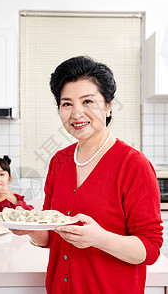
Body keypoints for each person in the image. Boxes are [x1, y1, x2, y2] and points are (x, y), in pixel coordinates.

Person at [13, 56, 163, 294]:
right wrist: (27, 227)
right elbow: (52, 236)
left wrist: (99, 238)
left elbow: (151, 248)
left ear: (108, 105)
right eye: (67, 104)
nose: (76, 113)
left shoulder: (133, 165)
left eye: (88, 101)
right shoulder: (59, 161)